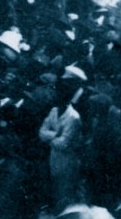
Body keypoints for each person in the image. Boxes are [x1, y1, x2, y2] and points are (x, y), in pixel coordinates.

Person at [38, 79, 84, 212]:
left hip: (68, 163)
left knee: (66, 199)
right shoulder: (54, 111)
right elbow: (41, 132)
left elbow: (63, 144)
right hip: (54, 161)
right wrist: (55, 135)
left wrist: (49, 138)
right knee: (57, 197)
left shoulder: (73, 117)